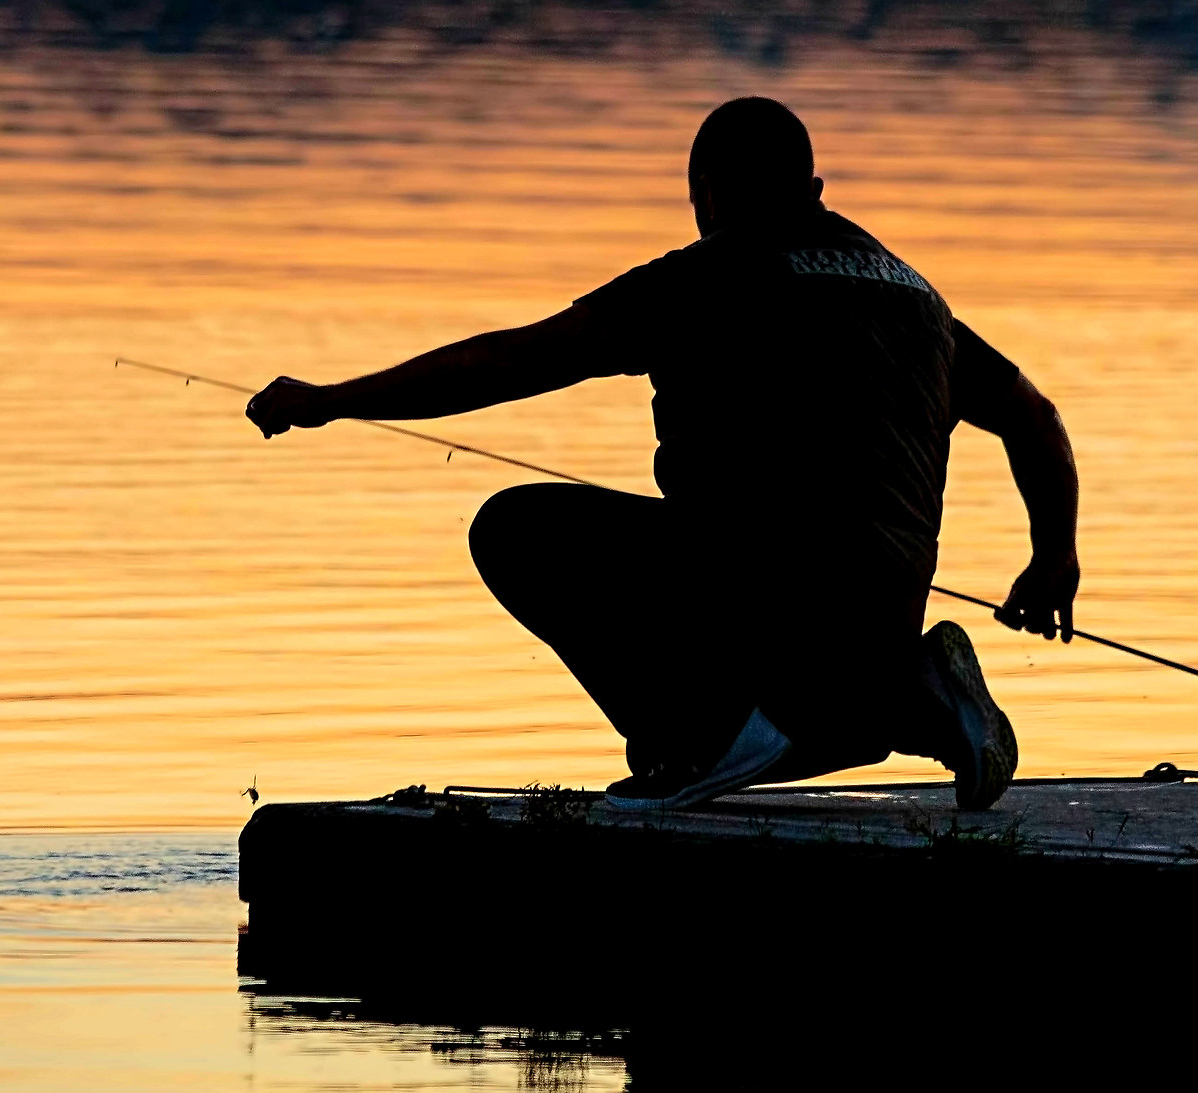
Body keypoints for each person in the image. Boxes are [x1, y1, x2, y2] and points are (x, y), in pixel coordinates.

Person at [246, 97, 1079, 811]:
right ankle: (918, 694)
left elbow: (513, 360)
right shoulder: (917, 296)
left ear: (707, 194)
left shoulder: (706, 277)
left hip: (764, 599)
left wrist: (332, 400)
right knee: (825, 630)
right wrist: (1052, 560)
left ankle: (704, 743)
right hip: (880, 613)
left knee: (515, 528)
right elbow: (1035, 419)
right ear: (815, 191)